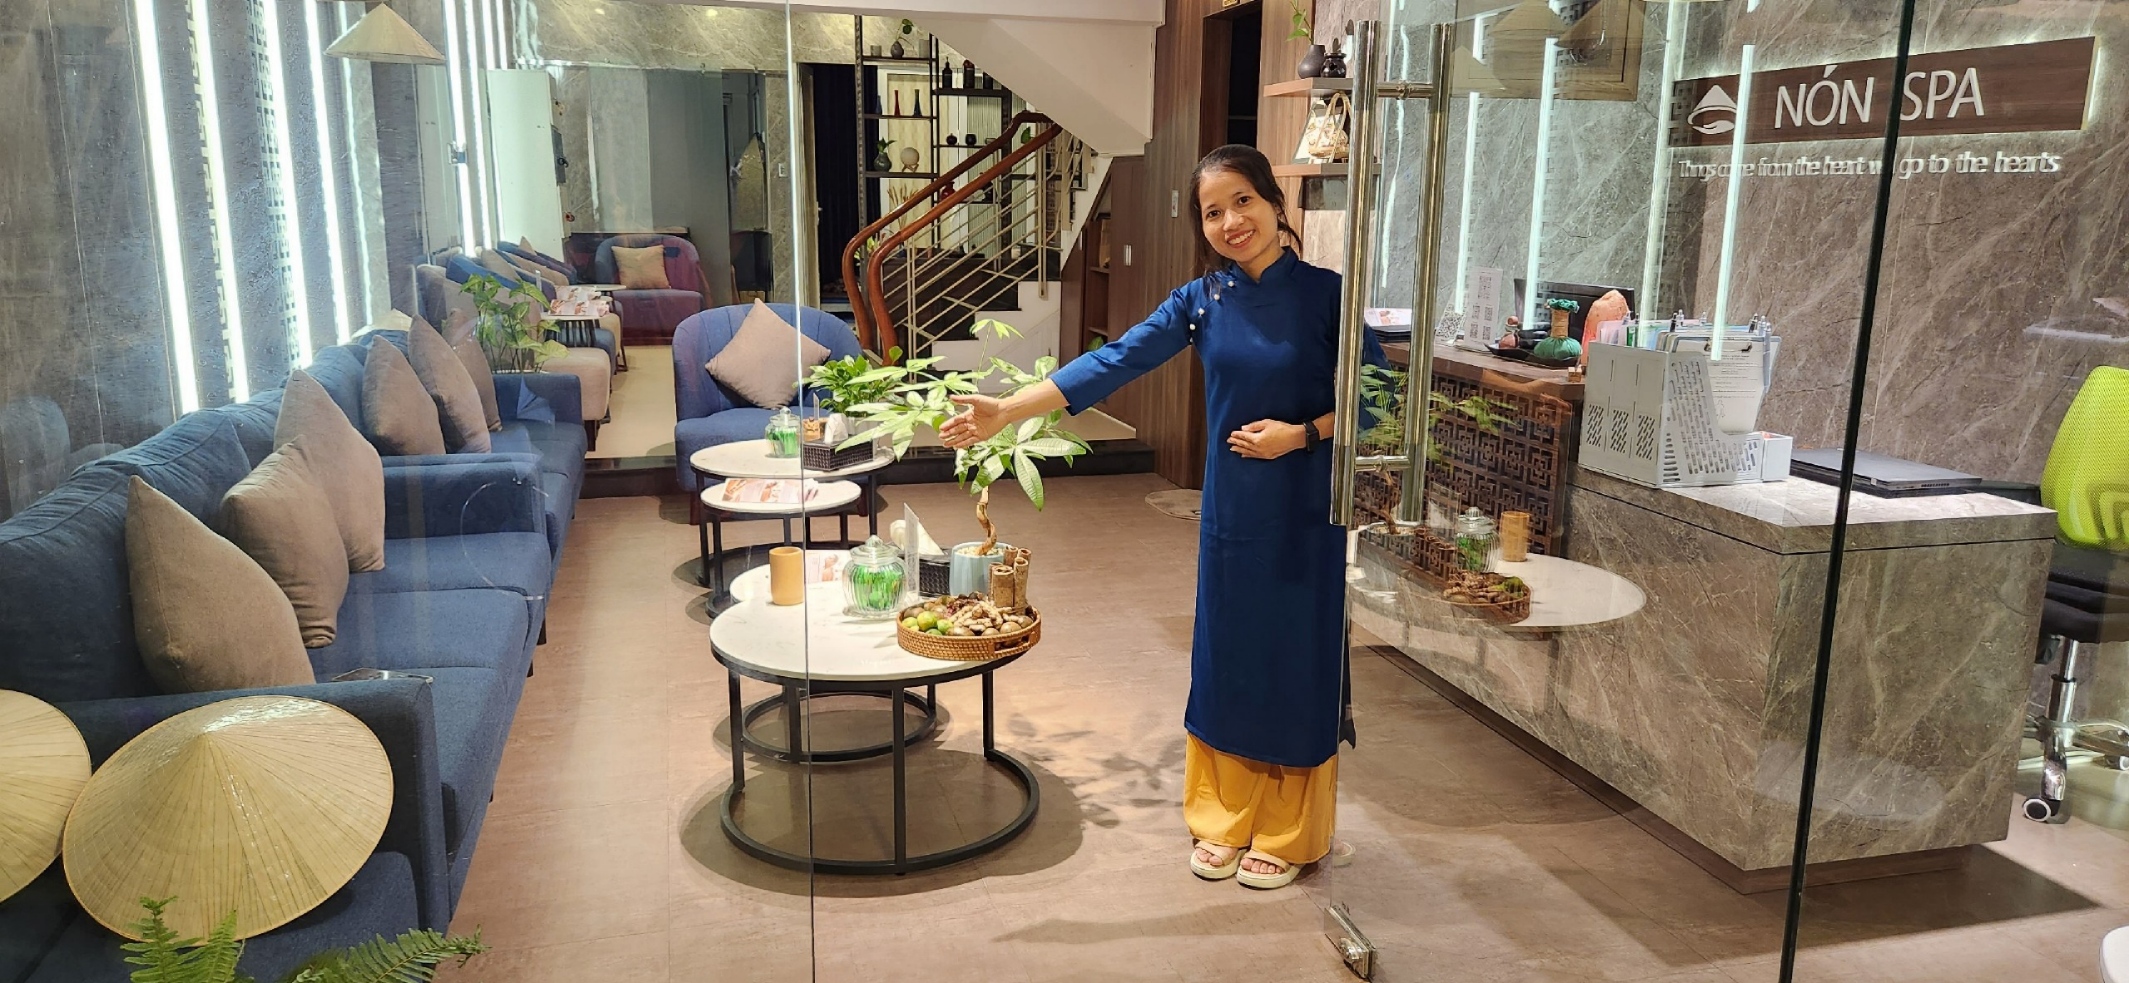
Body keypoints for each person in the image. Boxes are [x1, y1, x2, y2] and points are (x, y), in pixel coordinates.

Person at [940, 143, 1387, 890]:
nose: (1229, 221)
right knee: (1227, 654)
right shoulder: (1201, 301)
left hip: (1307, 510)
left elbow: (1376, 395)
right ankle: (1222, 816)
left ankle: (1287, 827)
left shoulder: (1328, 296)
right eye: (1212, 211)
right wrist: (1006, 410)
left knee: (1294, 657)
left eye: (1242, 200)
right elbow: (1113, 360)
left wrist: (1301, 433)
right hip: (1232, 515)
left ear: (1276, 204)